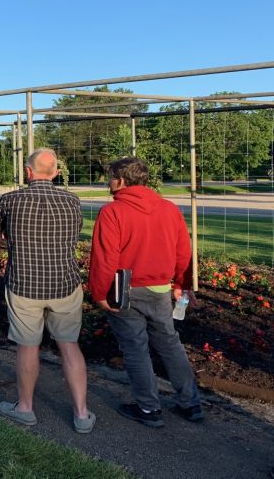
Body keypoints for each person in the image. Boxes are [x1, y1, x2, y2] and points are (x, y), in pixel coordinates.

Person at [90, 157, 203, 427]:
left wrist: (99, 293)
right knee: (169, 343)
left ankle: (149, 409)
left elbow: (105, 257)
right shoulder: (168, 209)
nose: (108, 182)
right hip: (161, 289)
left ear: (120, 180)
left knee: (135, 349)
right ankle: (191, 403)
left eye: (110, 177)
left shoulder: (113, 212)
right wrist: (182, 286)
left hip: (126, 289)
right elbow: (183, 252)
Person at [0, 148, 95, 434]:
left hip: (24, 283)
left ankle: (25, 408)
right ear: (56, 172)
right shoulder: (72, 200)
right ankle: (82, 414)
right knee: (69, 344)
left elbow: (2, 235)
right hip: (64, 283)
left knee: (28, 346)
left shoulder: (10, 200)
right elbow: (75, 233)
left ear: (28, 171)